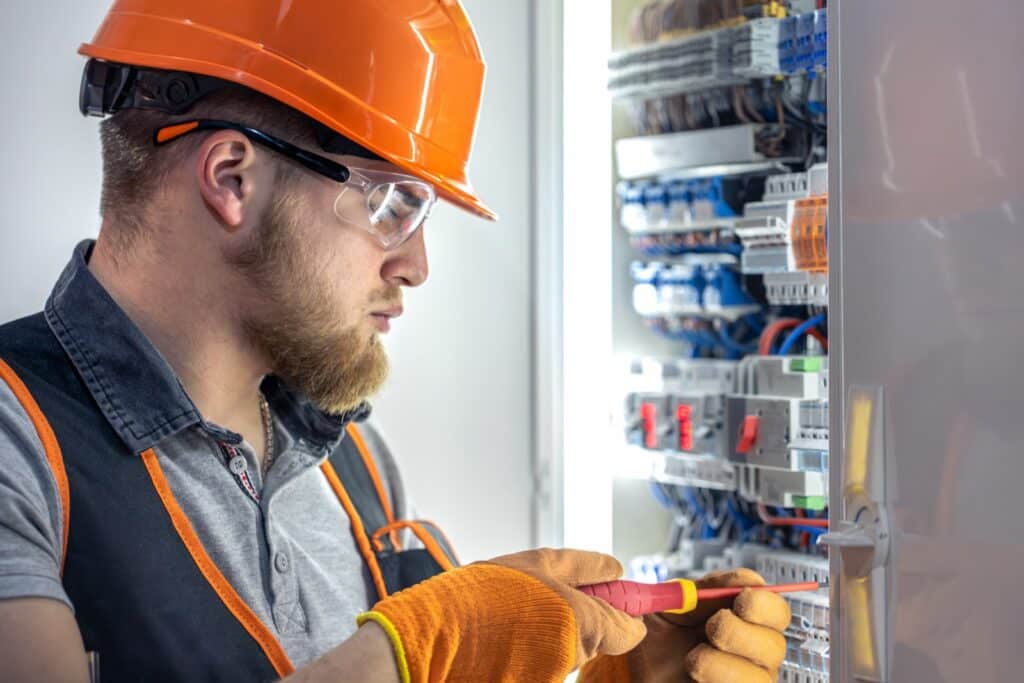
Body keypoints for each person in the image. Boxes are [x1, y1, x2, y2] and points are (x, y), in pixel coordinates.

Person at [0, 1, 788, 681]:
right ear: (232, 177)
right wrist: (408, 655)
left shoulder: (351, 464)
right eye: (391, 206)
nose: (414, 265)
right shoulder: (19, 447)